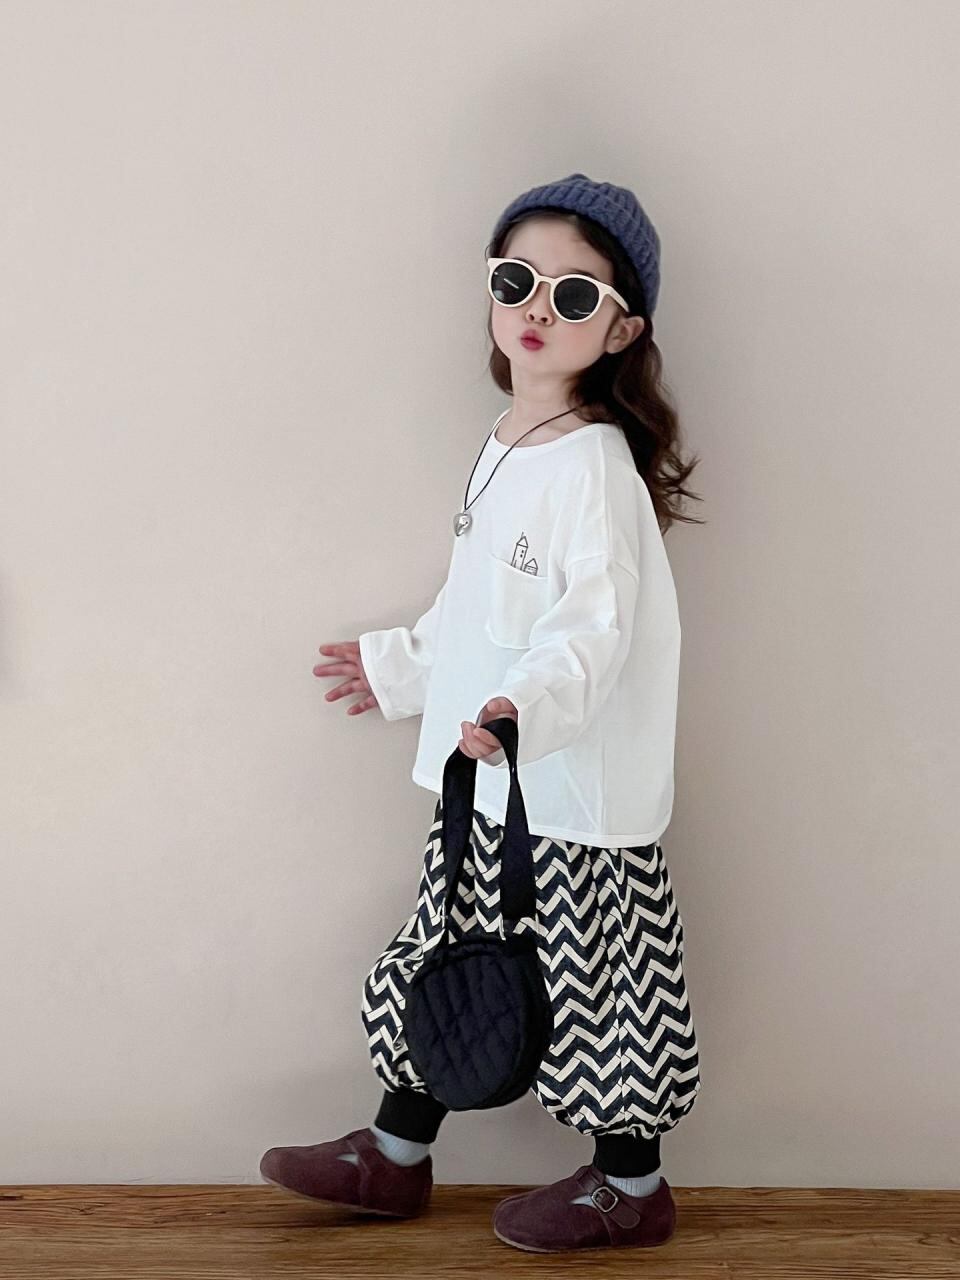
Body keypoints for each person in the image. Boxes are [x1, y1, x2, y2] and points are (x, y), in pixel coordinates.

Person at [260, 172, 705, 1254]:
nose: (538, 307)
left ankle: (633, 1183)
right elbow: (478, 605)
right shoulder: (507, 439)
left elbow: (592, 629)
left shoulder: (594, 465)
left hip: (568, 793)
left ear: (622, 328)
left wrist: (521, 709)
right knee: (445, 957)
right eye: (517, 280)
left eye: (575, 293)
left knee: (599, 984)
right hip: (489, 779)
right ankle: (394, 1153)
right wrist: (405, 667)